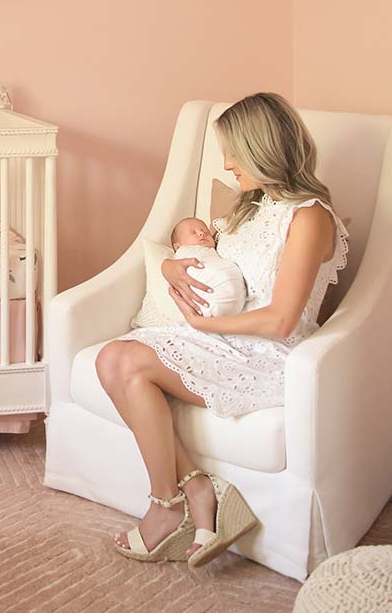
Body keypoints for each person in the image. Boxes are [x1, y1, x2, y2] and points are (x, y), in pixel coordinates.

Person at [95, 92, 349, 567]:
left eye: (234, 151)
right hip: (222, 339)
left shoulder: (309, 215)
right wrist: (172, 269)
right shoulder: (250, 207)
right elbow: (201, 252)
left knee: (125, 363)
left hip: (268, 352)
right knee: (111, 358)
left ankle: (165, 506)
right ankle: (195, 488)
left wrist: (204, 322)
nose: (228, 163)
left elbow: (281, 319)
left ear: (263, 147)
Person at [168, 217, 246, 318]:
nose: (202, 233)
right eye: (193, 232)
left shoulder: (217, 251)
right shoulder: (182, 254)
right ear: (177, 247)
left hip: (238, 301)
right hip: (208, 302)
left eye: (205, 231)